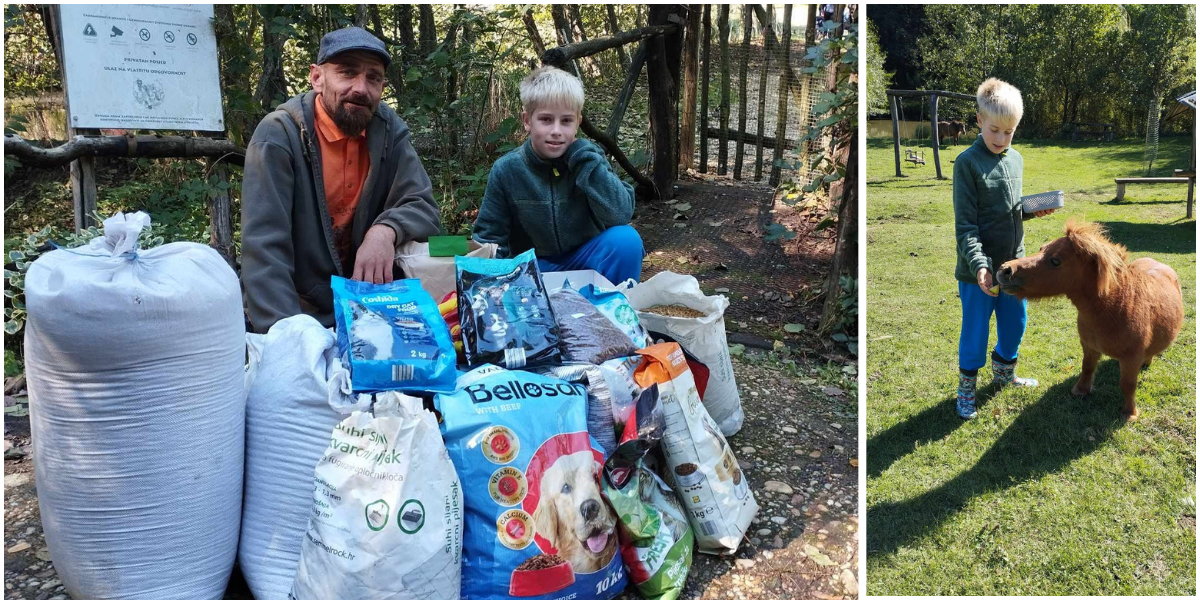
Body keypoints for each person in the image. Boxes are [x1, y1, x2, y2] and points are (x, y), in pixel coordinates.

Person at [241, 27, 441, 333]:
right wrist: (287, 337)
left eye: (373, 77)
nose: (360, 88)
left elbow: (422, 205)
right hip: (298, 308)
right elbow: (265, 249)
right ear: (317, 77)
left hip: (368, 307)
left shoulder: (388, 131)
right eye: (347, 72)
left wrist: (385, 231)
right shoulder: (279, 136)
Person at [471, 66, 643, 285]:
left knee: (626, 240)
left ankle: (615, 311)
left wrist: (586, 164)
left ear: (578, 123)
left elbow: (620, 214)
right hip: (534, 269)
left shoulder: (590, 159)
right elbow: (489, 238)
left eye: (566, 121)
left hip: (585, 261)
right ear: (527, 120)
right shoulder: (507, 169)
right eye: (545, 119)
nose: (556, 130)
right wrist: (493, 285)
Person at [953, 78, 1055, 420]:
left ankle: (1004, 374)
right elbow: (966, 225)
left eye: (1009, 132)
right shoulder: (966, 164)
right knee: (976, 332)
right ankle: (966, 390)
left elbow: (1007, 208)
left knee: (1015, 325)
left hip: (1014, 269)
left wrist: (1030, 210)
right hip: (976, 272)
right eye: (995, 129)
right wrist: (980, 265)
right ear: (979, 121)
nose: (1001, 139)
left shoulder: (1017, 161)